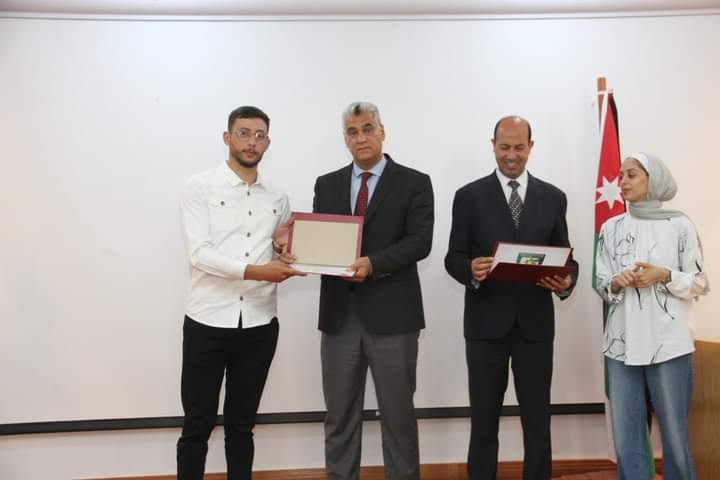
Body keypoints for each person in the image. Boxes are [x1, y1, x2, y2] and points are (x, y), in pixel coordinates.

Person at [444, 116, 578, 480]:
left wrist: (565, 280)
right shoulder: (469, 196)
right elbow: (453, 257)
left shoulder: (553, 198)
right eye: (504, 147)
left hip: (535, 327)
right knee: (483, 422)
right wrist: (469, 268)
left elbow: (566, 257)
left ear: (531, 147)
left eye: (519, 147)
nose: (511, 155)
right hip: (485, 328)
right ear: (493, 146)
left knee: (538, 422)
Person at [177, 106, 304, 480]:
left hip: (259, 324)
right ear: (227, 137)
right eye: (244, 133)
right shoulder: (198, 187)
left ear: (268, 142)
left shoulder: (278, 197)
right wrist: (257, 271)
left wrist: (283, 252)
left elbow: (279, 250)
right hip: (207, 321)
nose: (252, 142)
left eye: (259, 135)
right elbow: (199, 254)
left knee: (242, 426)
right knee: (197, 424)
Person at [312, 101, 434, 480]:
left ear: (383, 132)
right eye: (353, 132)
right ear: (345, 138)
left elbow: (420, 242)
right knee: (339, 417)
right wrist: (295, 247)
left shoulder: (415, 182)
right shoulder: (327, 184)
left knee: (398, 417)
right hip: (339, 317)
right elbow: (321, 242)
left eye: (368, 129)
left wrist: (373, 263)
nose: (361, 137)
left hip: (393, 317)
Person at [595, 153, 709, 480]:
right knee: (626, 433)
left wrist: (663, 275)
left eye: (631, 175)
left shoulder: (680, 225)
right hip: (621, 345)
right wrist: (617, 281)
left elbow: (699, 283)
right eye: (621, 175)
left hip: (668, 344)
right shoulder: (610, 227)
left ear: (653, 179)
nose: (622, 181)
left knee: (674, 433)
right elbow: (602, 282)